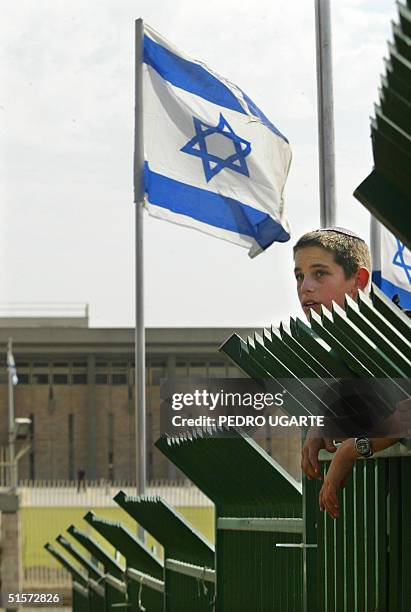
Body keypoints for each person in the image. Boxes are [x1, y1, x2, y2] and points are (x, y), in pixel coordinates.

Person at [294, 227, 404, 519]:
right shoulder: (342, 351)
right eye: (299, 276)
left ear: (360, 279)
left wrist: (355, 448)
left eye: (319, 274)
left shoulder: (401, 336)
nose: (305, 287)